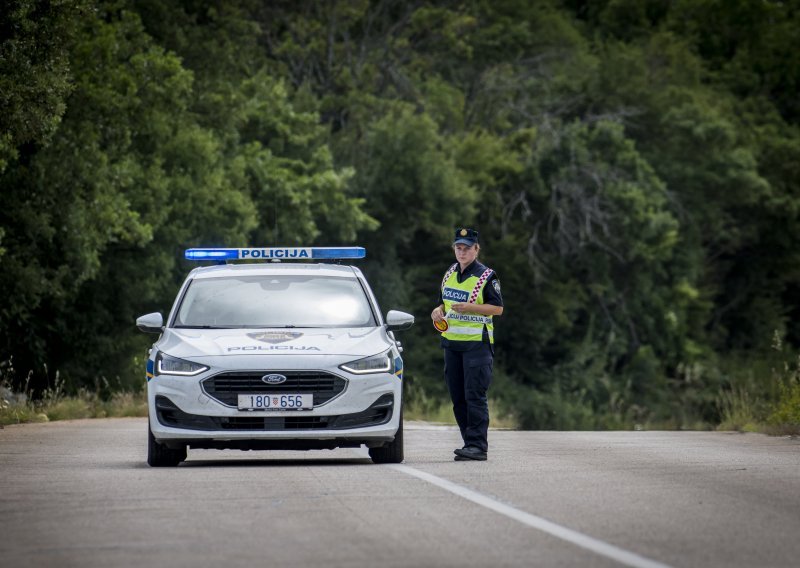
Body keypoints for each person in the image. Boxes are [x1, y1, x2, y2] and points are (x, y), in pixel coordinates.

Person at [431, 228, 503, 461]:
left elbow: (498, 308)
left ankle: (478, 446)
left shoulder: (486, 276)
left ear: (476, 249)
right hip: (452, 344)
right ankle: (468, 443)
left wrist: (471, 307)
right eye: (458, 248)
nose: (461, 252)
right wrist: (437, 311)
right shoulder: (450, 273)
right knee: (458, 397)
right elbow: (442, 303)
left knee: (475, 396)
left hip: (476, 345)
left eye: (466, 248)